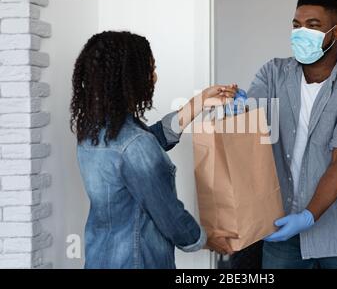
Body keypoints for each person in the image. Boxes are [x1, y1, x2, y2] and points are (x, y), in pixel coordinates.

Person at [70, 31, 238, 269]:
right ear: (129, 77)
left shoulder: (94, 132)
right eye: (149, 69)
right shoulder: (135, 144)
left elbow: (149, 142)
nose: (155, 77)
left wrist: (199, 102)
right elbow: (171, 217)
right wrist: (207, 239)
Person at [247, 0, 337, 269]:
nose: (301, 33)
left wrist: (308, 216)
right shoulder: (273, 73)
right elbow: (249, 127)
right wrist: (236, 110)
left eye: (313, 26)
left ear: (336, 32)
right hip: (281, 228)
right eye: (296, 25)